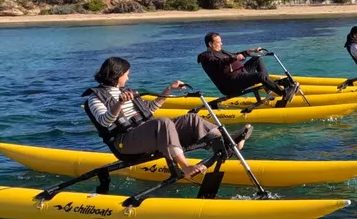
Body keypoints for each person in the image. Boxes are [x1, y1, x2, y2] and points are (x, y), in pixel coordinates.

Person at [84, 56, 251, 179]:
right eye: (126, 74)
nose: (128, 77)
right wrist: (118, 104)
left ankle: (226, 143)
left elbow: (149, 110)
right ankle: (185, 167)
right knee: (163, 122)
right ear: (117, 74)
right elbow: (104, 121)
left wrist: (169, 89)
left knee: (190, 119)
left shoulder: (126, 91)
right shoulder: (95, 98)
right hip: (125, 143)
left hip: (148, 134)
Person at [197, 32, 298, 106]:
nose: (221, 44)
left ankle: (268, 86)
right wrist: (234, 58)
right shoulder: (205, 56)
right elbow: (219, 62)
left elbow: (235, 55)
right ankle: (283, 93)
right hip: (231, 84)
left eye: (221, 41)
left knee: (256, 59)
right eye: (218, 42)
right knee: (260, 76)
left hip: (240, 74)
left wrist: (251, 51)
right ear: (210, 44)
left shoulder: (221, 51)